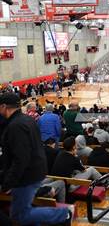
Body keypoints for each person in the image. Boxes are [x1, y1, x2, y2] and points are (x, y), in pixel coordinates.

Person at [0, 93, 71, 225]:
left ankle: (63, 214)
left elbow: (21, 158)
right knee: (26, 211)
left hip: (26, 175)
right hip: (35, 170)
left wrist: (8, 183)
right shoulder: (27, 120)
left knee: (20, 214)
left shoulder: (16, 126)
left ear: (4, 106)